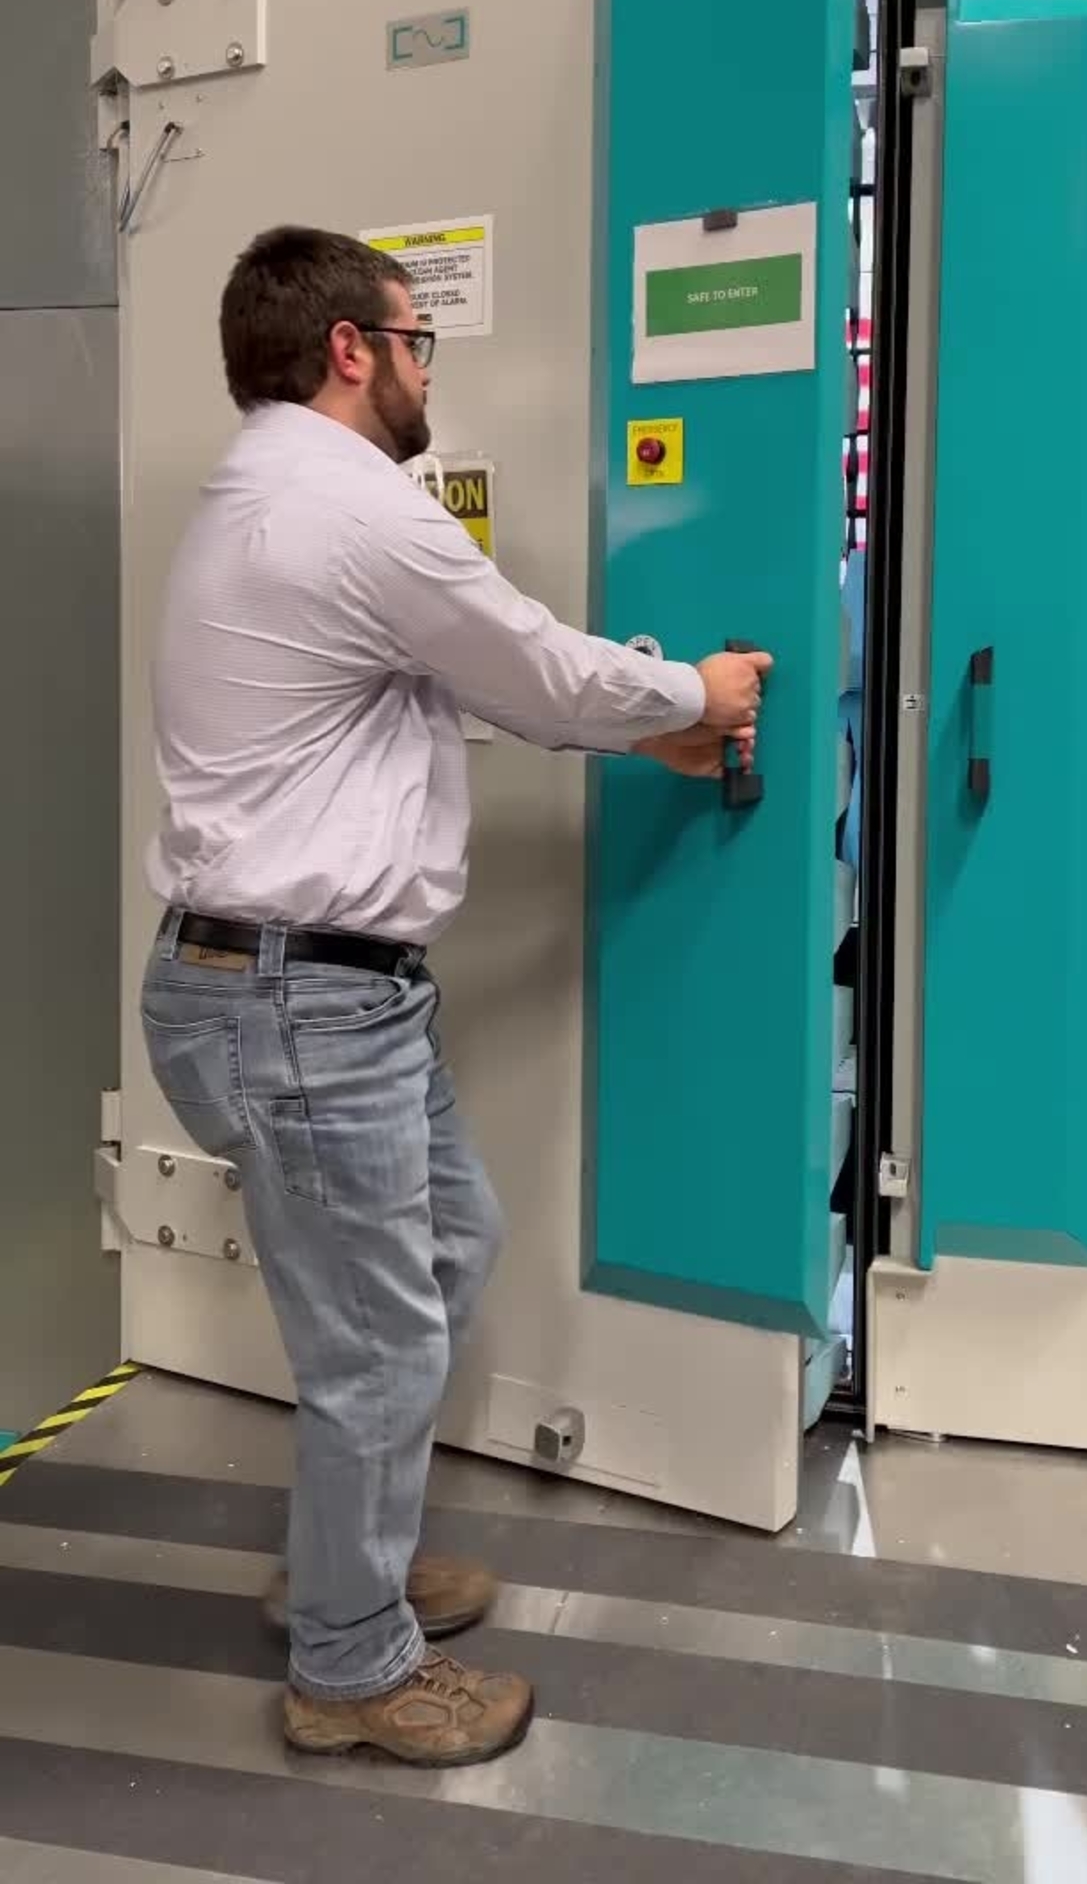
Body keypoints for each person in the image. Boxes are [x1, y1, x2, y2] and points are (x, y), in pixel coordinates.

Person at [140, 226, 771, 1770]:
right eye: (421, 341)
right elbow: (529, 668)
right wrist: (699, 695)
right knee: (376, 1343)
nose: (430, 368)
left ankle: (353, 1566)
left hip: (317, 999)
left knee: (437, 1257)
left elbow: (442, 689)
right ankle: (350, 1670)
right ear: (350, 347)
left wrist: (637, 728)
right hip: (296, 1007)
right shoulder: (343, 507)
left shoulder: (286, 499)